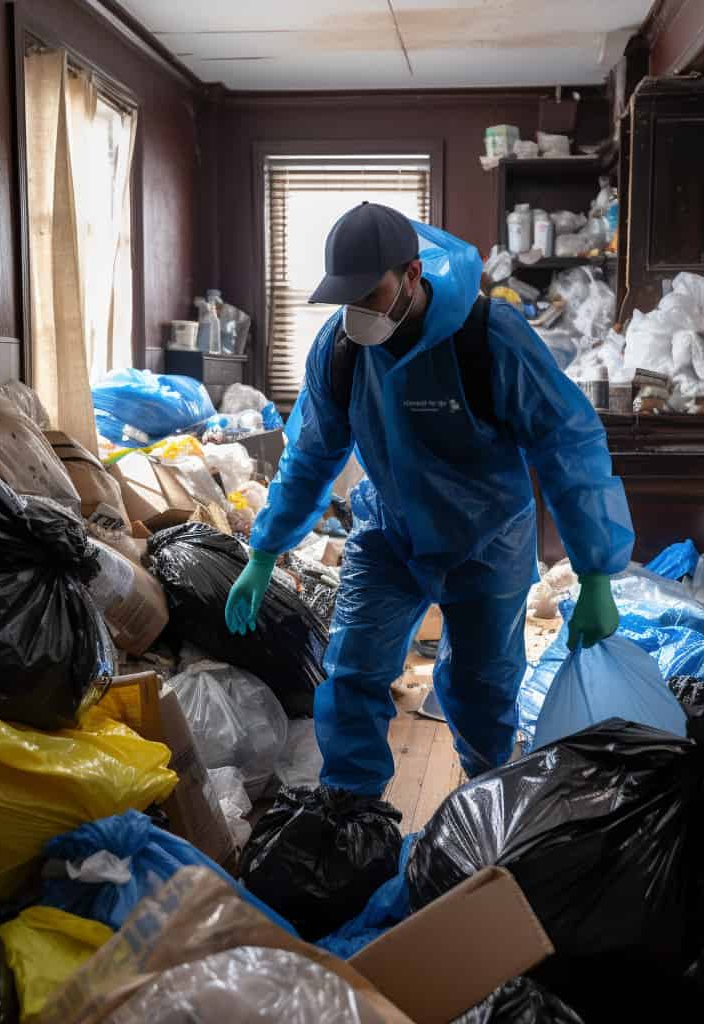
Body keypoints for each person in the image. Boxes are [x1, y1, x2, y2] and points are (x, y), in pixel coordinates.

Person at [226, 202, 634, 796]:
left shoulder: (488, 336)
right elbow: (311, 454)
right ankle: (352, 815)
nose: (358, 312)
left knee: (480, 690)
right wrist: (265, 551)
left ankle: (484, 806)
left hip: (488, 540)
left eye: (371, 293)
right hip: (390, 531)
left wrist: (596, 572)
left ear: (412, 275)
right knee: (352, 673)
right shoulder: (341, 348)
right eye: (347, 297)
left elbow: (568, 446)